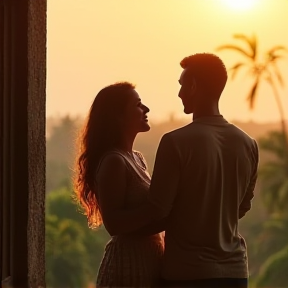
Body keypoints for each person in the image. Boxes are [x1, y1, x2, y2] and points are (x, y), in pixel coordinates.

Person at [145, 53, 259, 288]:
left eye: (182, 85)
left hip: (187, 273)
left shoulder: (175, 142)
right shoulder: (248, 144)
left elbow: (157, 210)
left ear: (194, 85)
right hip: (235, 273)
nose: (179, 93)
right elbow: (242, 206)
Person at [73, 82, 164, 287]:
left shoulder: (136, 158)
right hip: (128, 266)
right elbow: (114, 224)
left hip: (148, 262)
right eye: (138, 104)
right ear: (118, 116)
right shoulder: (114, 161)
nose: (146, 109)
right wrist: (159, 210)